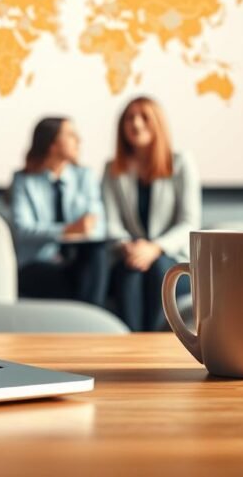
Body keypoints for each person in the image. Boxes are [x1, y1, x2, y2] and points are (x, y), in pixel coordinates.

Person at [103, 96, 201, 332]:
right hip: (130, 254)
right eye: (129, 118)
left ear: (158, 123)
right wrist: (129, 246)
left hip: (171, 256)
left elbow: (189, 222)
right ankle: (132, 349)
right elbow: (111, 222)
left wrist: (154, 248)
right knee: (131, 272)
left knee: (161, 270)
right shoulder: (113, 168)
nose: (136, 124)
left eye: (144, 117)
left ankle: (154, 344)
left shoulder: (181, 163)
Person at [10, 117, 107, 304]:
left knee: (97, 253)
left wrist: (80, 230)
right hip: (38, 263)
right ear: (52, 144)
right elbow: (23, 229)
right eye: (70, 135)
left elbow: (97, 226)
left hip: (77, 260)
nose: (78, 140)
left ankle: (89, 326)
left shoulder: (85, 176)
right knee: (81, 283)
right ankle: (93, 326)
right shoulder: (24, 181)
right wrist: (66, 230)